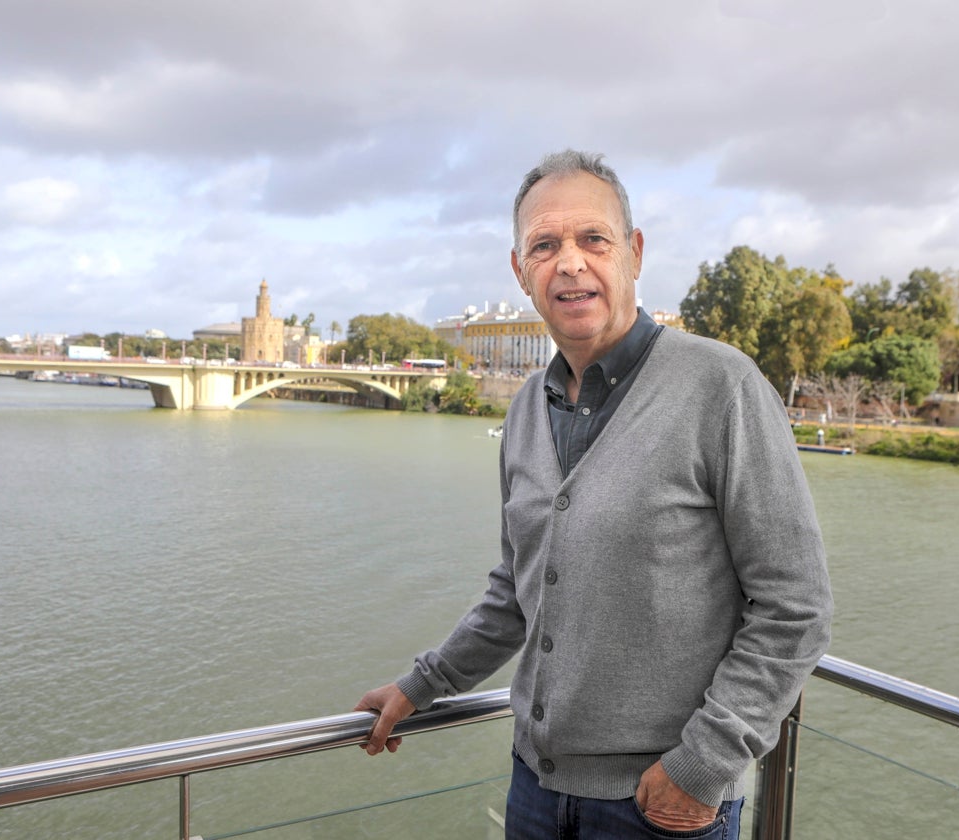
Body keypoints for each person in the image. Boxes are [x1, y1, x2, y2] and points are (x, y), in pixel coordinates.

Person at [355, 150, 833, 839]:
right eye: (544, 245)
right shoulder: (525, 410)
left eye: (593, 240)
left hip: (659, 808)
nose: (570, 262)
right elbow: (514, 591)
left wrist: (701, 767)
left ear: (634, 254)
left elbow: (797, 606)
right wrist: (420, 685)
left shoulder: (720, 387)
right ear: (520, 272)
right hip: (534, 788)